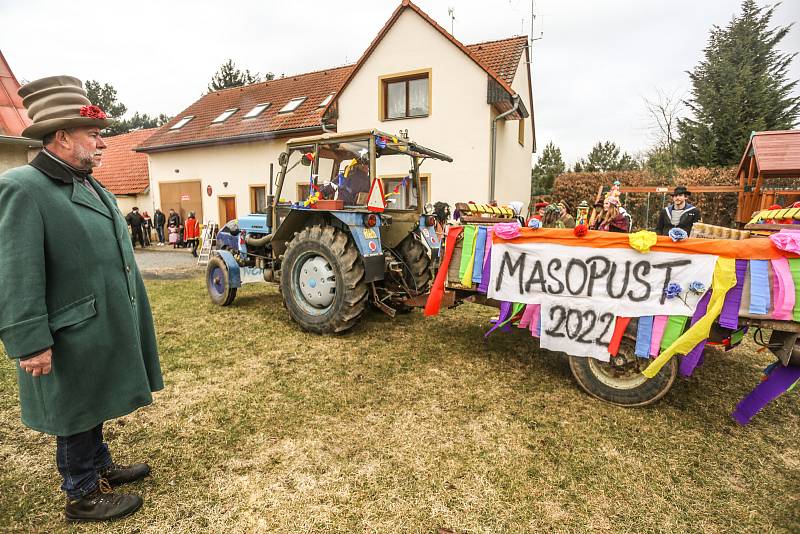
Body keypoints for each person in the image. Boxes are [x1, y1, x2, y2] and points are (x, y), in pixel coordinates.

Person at [0, 76, 162, 522]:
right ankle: (82, 492)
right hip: (65, 327)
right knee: (75, 406)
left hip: (96, 319)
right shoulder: (24, 188)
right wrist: (28, 339)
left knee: (94, 396)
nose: (102, 142)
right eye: (93, 134)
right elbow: (15, 271)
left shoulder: (88, 183)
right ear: (63, 136)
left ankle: (98, 465)